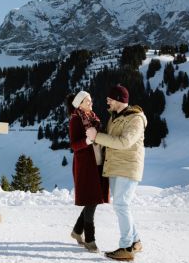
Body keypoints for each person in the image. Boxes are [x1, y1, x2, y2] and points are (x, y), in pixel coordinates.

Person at [86, 84, 146, 261]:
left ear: (119, 100)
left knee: (121, 205)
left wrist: (97, 137)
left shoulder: (135, 119)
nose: (107, 102)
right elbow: (110, 140)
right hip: (115, 167)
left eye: (109, 99)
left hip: (127, 167)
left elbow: (124, 142)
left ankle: (126, 247)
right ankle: (135, 241)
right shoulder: (115, 117)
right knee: (121, 205)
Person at [65, 91, 109, 253]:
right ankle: (90, 240)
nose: (91, 103)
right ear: (80, 103)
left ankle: (77, 231)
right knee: (91, 201)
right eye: (88, 101)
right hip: (85, 167)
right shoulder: (75, 120)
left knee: (95, 199)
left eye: (91, 100)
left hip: (97, 164)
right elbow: (74, 145)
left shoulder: (93, 118)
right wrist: (88, 140)